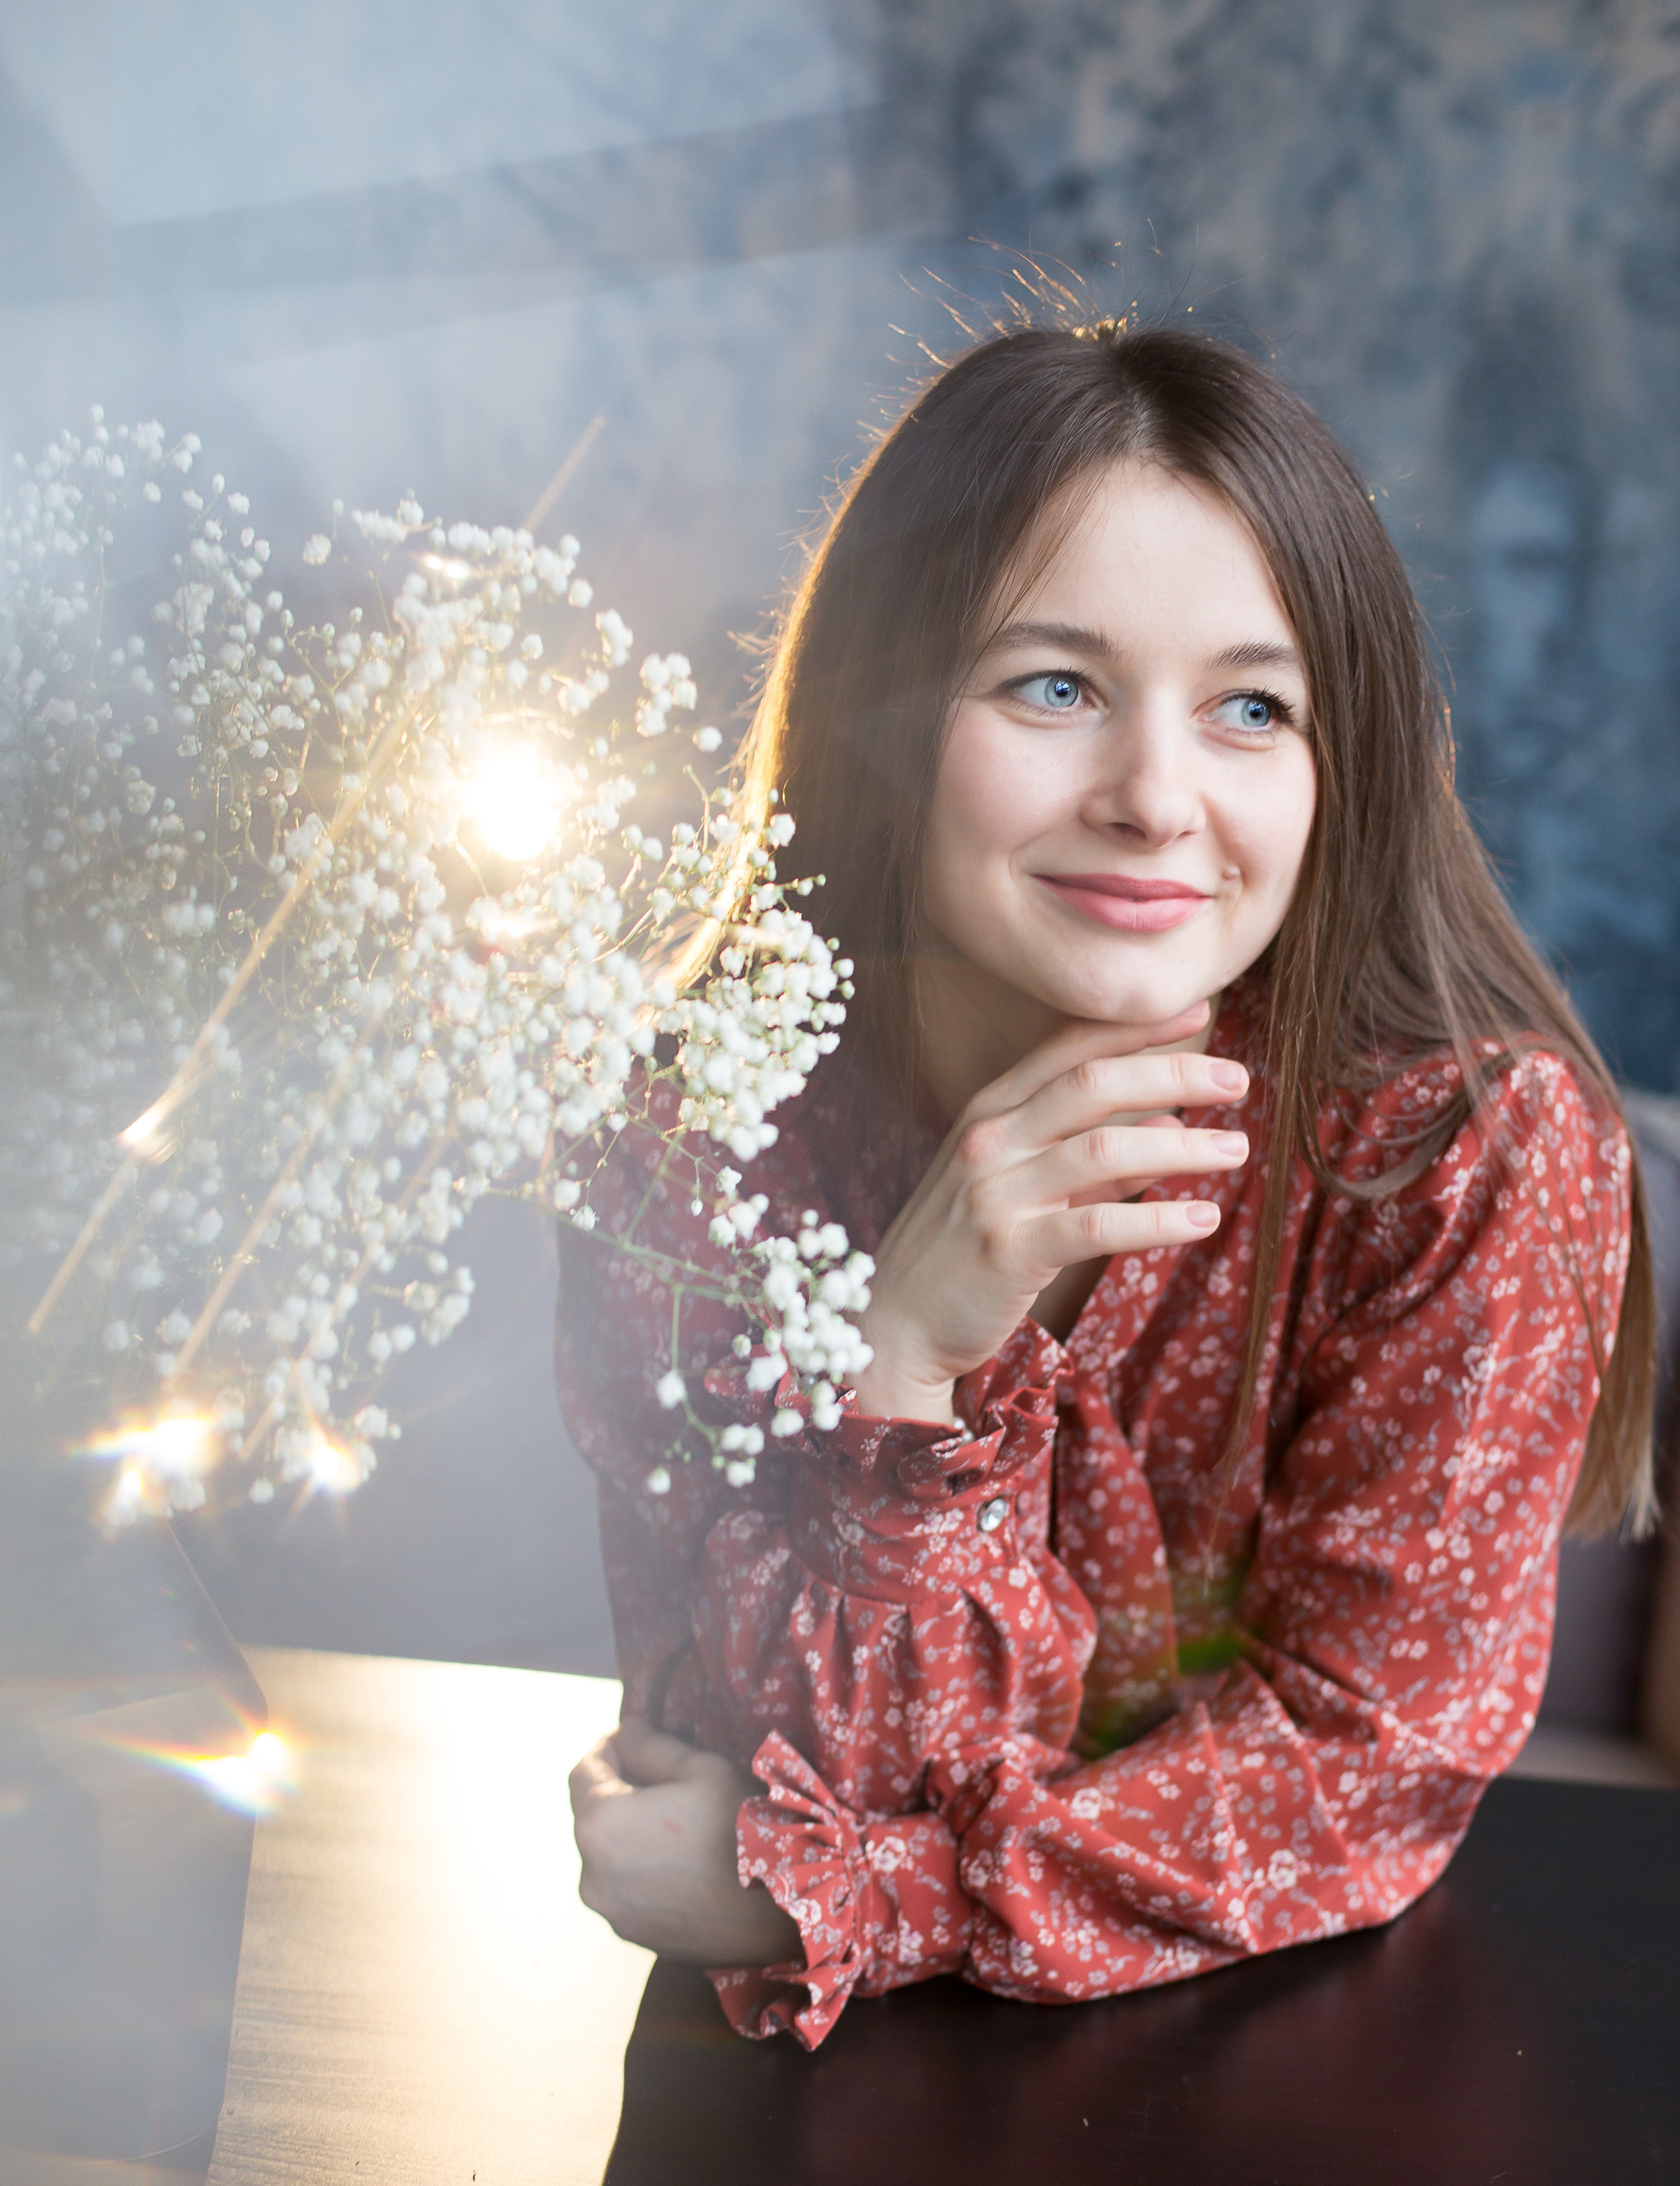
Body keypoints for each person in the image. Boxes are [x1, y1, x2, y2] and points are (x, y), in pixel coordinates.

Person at [559, 319, 1655, 2050]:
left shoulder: (1468, 1154)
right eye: (1054, 686)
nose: (1157, 798)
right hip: (786, 2104)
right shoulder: (701, 1125)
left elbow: (1358, 1777)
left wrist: (845, 1898)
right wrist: (906, 1358)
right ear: (883, 713)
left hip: (1301, 2078)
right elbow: (731, 1745)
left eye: (1251, 709)